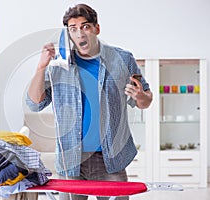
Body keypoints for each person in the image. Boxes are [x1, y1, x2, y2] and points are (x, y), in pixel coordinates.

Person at [26, 3, 152, 200]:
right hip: (72, 160)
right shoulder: (58, 66)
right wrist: (41, 67)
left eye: (85, 27)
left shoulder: (122, 59)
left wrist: (141, 97)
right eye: (73, 29)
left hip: (112, 160)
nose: (80, 34)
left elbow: (145, 100)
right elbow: (35, 103)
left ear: (96, 28)